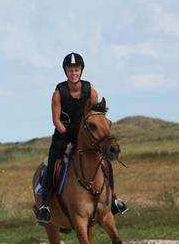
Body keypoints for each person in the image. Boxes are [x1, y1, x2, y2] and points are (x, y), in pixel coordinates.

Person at [35, 52, 128, 223]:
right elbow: (56, 120)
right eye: (70, 70)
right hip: (64, 135)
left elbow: (96, 115)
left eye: (76, 69)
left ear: (81, 71)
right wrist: (69, 134)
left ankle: (114, 200)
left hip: (88, 135)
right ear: (65, 72)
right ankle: (45, 206)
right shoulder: (58, 92)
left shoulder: (90, 91)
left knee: (106, 163)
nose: (74, 73)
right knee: (51, 164)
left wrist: (90, 135)